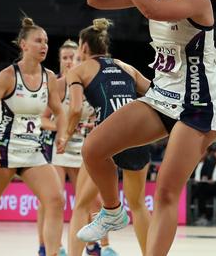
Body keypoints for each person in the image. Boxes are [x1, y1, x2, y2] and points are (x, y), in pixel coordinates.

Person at [77, 0, 216, 256]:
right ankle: (111, 211)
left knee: (165, 193)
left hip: (198, 102)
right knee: (93, 148)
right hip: (161, 95)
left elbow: (151, 10)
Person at [0, 17, 68, 256]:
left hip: (33, 152)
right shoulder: (8, 76)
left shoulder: (49, 77)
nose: (44, 46)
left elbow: (59, 110)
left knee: (56, 201)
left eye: (46, 41)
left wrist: (63, 133)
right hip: (3, 151)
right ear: (23, 45)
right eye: (38, 40)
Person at [67, 19, 152, 256]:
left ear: (83, 47)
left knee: (82, 205)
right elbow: (155, 95)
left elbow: (74, 109)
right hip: (137, 137)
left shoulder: (79, 70)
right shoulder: (126, 67)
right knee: (138, 205)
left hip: (108, 141)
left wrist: (65, 134)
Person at [36, 40, 89, 256]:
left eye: (73, 57)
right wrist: (64, 128)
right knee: (53, 199)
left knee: (84, 200)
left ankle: (88, 245)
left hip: (81, 148)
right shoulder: (57, 85)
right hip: (57, 148)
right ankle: (46, 246)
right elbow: (43, 120)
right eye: (65, 57)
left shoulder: (86, 83)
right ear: (59, 61)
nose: (69, 61)